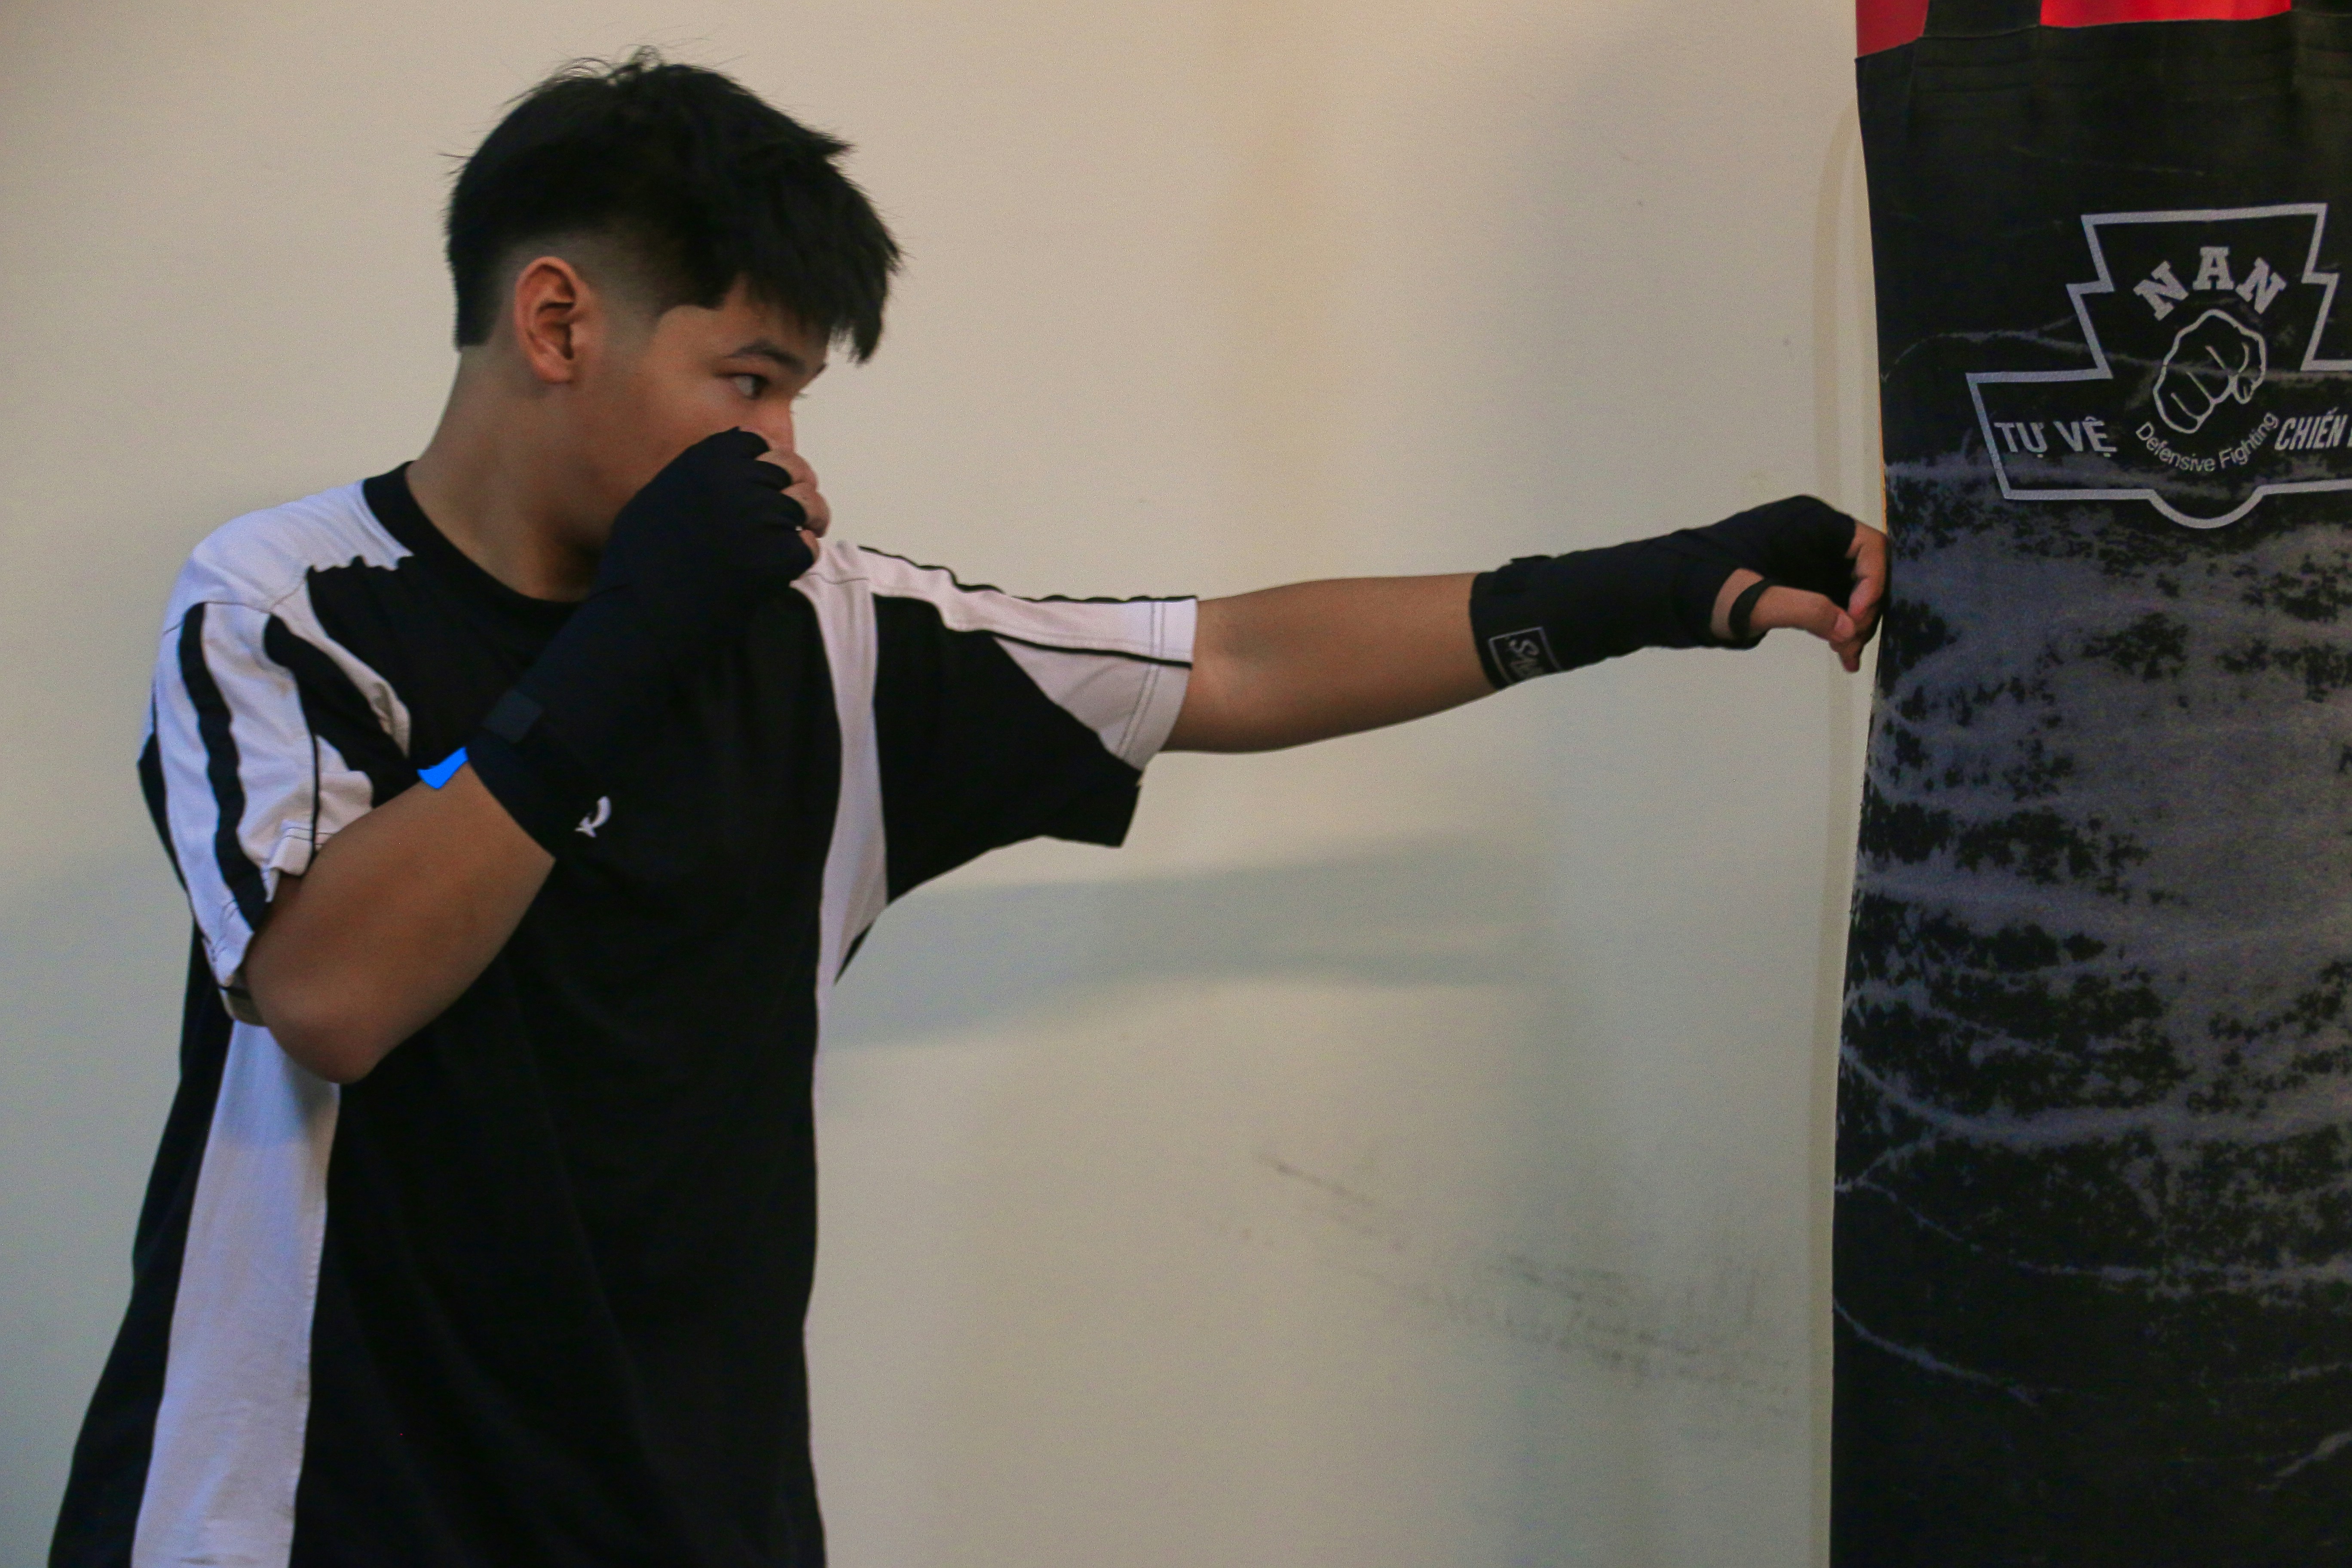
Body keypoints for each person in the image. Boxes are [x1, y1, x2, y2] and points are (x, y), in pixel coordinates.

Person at [50, 50, 1885, 1568]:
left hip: (696, 1524)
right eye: (747, 387)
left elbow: (1221, 663)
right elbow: (328, 991)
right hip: (292, 1523)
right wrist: (630, 639)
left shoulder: (821, 641)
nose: (788, 460)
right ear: (558, 322)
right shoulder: (286, 601)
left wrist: (1663, 584)